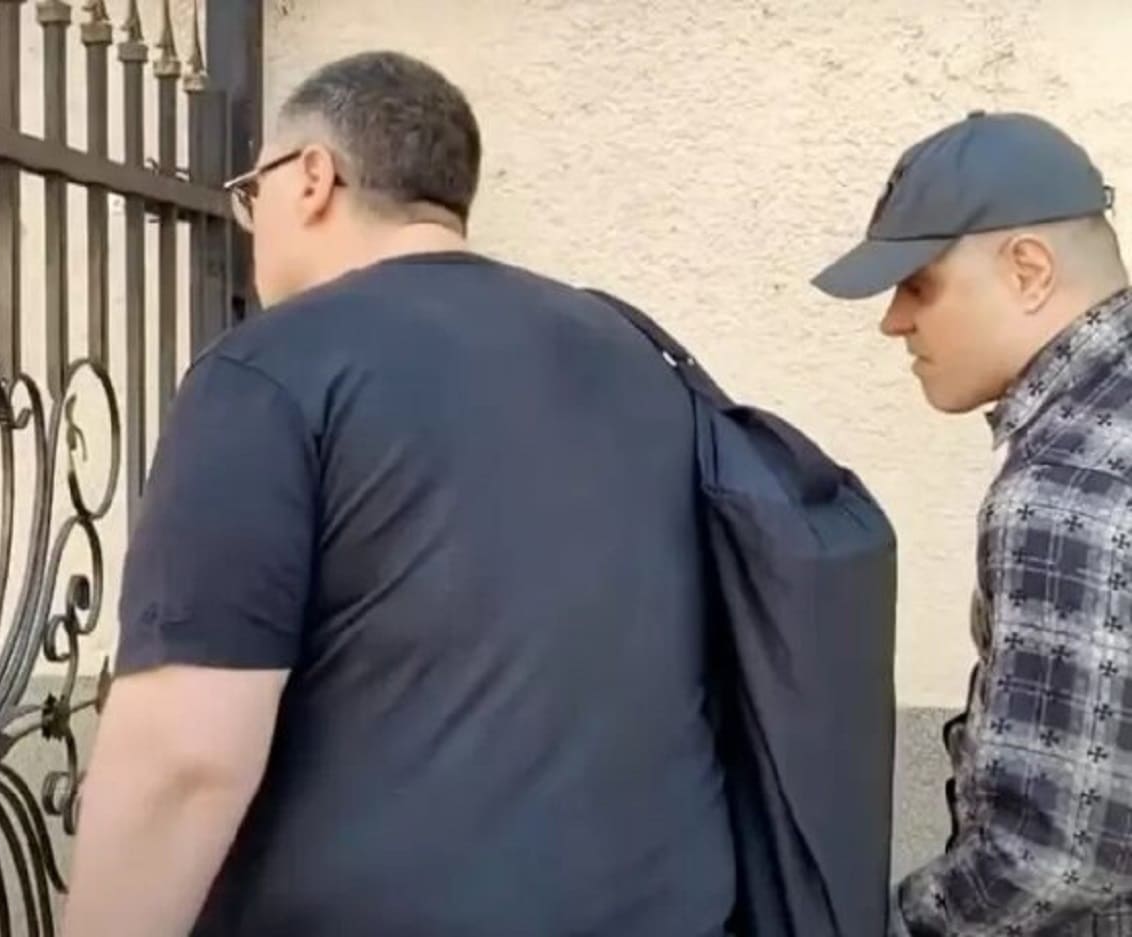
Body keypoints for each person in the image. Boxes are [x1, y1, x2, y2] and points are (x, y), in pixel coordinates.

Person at [63, 50, 734, 936]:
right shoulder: (639, 359)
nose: (251, 222)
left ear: (312, 178)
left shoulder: (270, 372)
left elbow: (185, 761)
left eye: (252, 191)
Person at [813, 111, 1131, 935]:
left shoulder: (1067, 487)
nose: (893, 321)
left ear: (1028, 270)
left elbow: (1057, 862)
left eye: (918, 284)